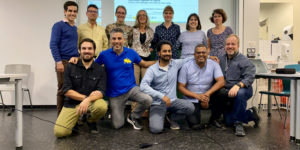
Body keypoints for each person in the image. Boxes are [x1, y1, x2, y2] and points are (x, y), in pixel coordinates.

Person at [95, 28, 155, 130]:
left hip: (131, 89)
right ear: (110, 40)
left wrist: (160, 62)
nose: (117, 41)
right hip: (115, 94)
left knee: (148, 99)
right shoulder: (104, 55)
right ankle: (118, 112)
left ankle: (133, 116)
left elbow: (144, 64)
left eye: (119, 38)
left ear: (124, 40)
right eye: (114, 39)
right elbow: (93, 66)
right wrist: (77, 59)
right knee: (117, 125)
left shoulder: (131, 53)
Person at [54, 38, 108, 138]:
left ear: (94, 51)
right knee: (60, 133)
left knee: (102, 106)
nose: (87, 51)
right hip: (72, 104)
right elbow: (66, 90)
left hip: (92, 103)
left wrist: (88, 101)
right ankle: (75, 120)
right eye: (84, 48)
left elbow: (101, 92)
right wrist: (85, 99)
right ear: (79, 50)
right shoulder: (70, 67)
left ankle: (91, 120)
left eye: (90, 48)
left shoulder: (100, 69)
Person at [140, 40, 195, 134]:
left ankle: (170, 118)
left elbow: (189, 59)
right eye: (165, 51)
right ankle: (156, 115)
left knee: (190, 108)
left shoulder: (175, 64)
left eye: (169, 51)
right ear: (159, 53)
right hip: (158, 103)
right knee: (156, 129)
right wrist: (162, 96)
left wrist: (209, 56)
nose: (168, 53)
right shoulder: (152, 69)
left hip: (173, 101)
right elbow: (143, 86)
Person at [218, 34, 260, 137]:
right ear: (225, 46)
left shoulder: (244, 60)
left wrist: (238, 85)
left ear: (238, 46)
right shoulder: (222, 59)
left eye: (233, 44)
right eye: (228, 44)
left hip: (243, 89)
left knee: (240, 94)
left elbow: (249, 77)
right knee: (228, 121)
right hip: (228, 90)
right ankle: (251, 114)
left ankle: (239, 123)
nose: (230, 46)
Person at [178, 44, 225, 129]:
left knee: (222, 93)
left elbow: (221, 82)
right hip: (192, 98)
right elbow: (181, 87)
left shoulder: (214, 64)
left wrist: (207, 94)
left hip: (208, 96)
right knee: (194, 124)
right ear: (194, 55)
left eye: (203, 52)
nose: (201, 55)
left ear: (207, 54)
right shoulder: (186, 66)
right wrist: (197, 96)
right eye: (198, 52)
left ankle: (214, 119)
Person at [50, 1, 79, 115]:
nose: (72, 13)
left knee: (74, 89)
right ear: (65, 11)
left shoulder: (74, 28)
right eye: (70, 11)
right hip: (63, 62)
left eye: (75, 11)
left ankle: (71, 115)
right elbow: (53, 44)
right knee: (62, 89)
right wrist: (58, 62)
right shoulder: (58, 25)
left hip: (74, 62)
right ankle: (60, 116)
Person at [131, 10, 154, 84]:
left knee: (145, 83)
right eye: (140, 15)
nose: (142, 17)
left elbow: (153, 42)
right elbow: (128, 42)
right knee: (135, 83)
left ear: (147, 17)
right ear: (137, 18)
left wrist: (152, 48)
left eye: (144, 15)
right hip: (135, 60)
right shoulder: (132, 30)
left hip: (146, 59)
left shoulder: (150, 30)